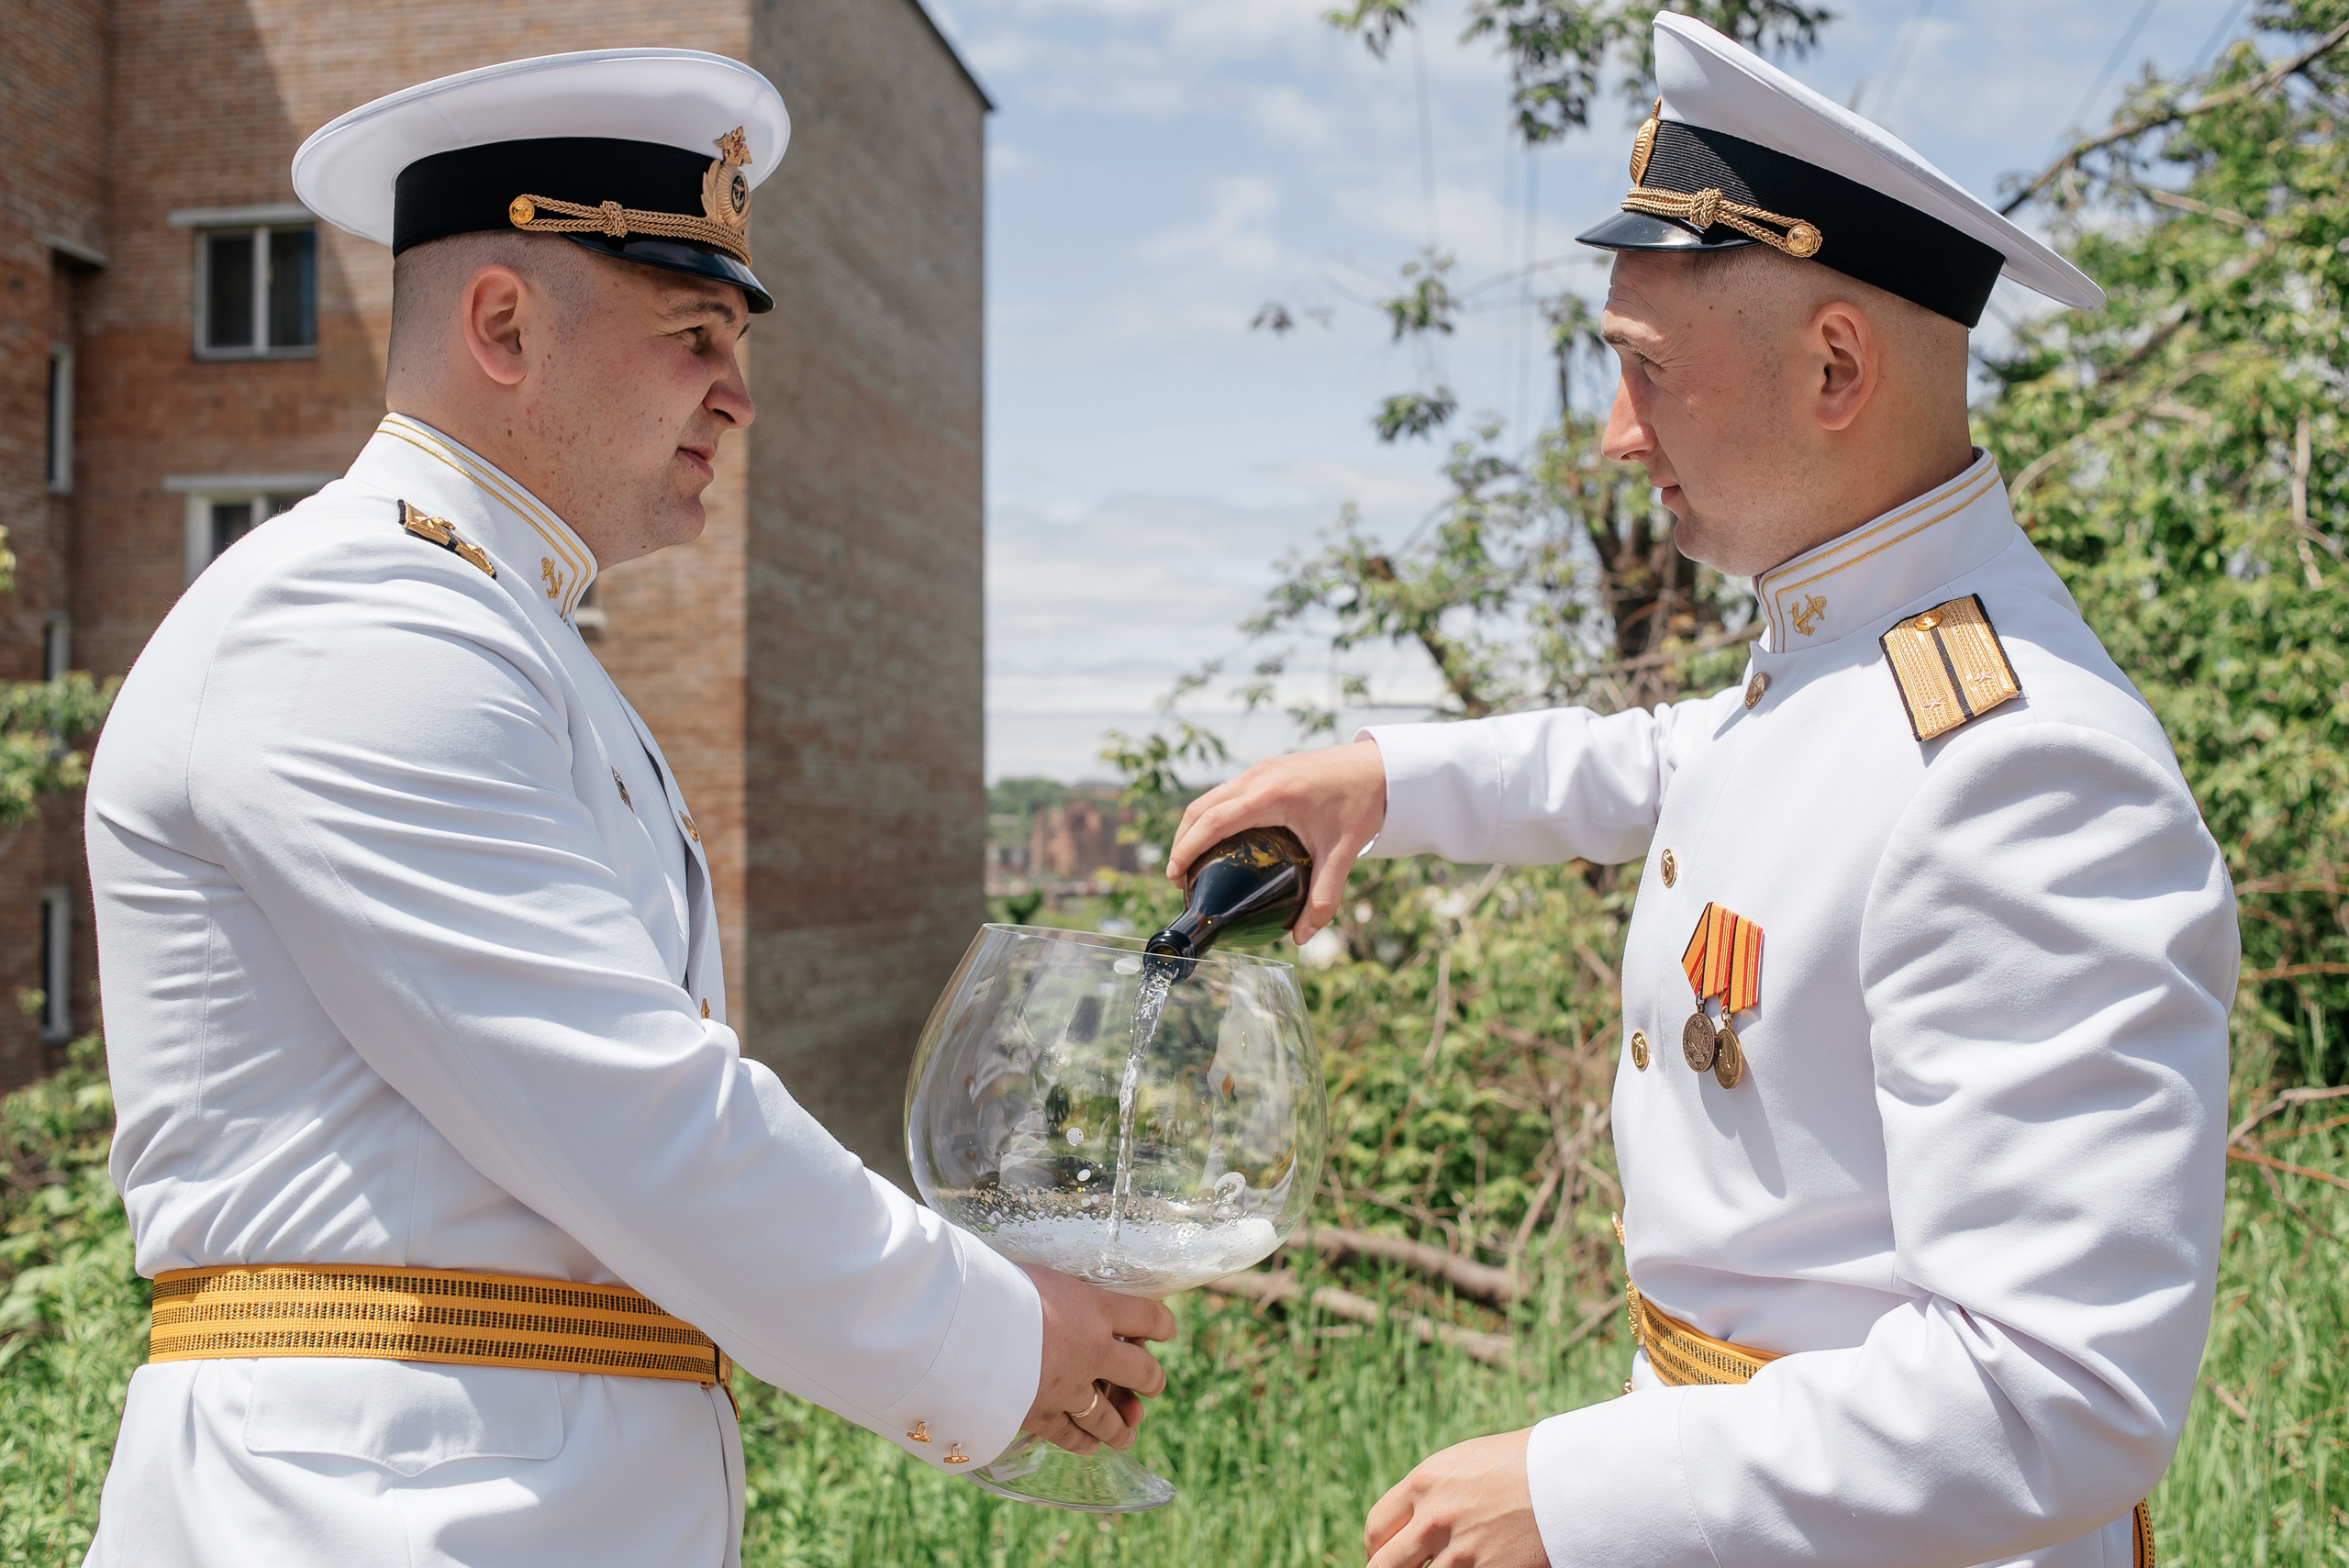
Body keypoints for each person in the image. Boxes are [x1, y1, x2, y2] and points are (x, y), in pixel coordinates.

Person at [1166, 17, 2234, 1568]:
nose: (1615, 438)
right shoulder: (1863, 649)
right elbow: (1701, 761)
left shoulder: (2025, 772)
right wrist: (1386, 779)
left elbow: (2062, 1396)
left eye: (1644, 369)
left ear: (1836, 365)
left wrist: (1583, 1493)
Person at [82, 50, 1169, 1567]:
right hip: (360, 1521)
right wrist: (1000, 1341)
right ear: (506, 325)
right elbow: (636, 1113)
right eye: (693, 330)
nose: (738, 390)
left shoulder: (503, 631)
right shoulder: (353, 625)